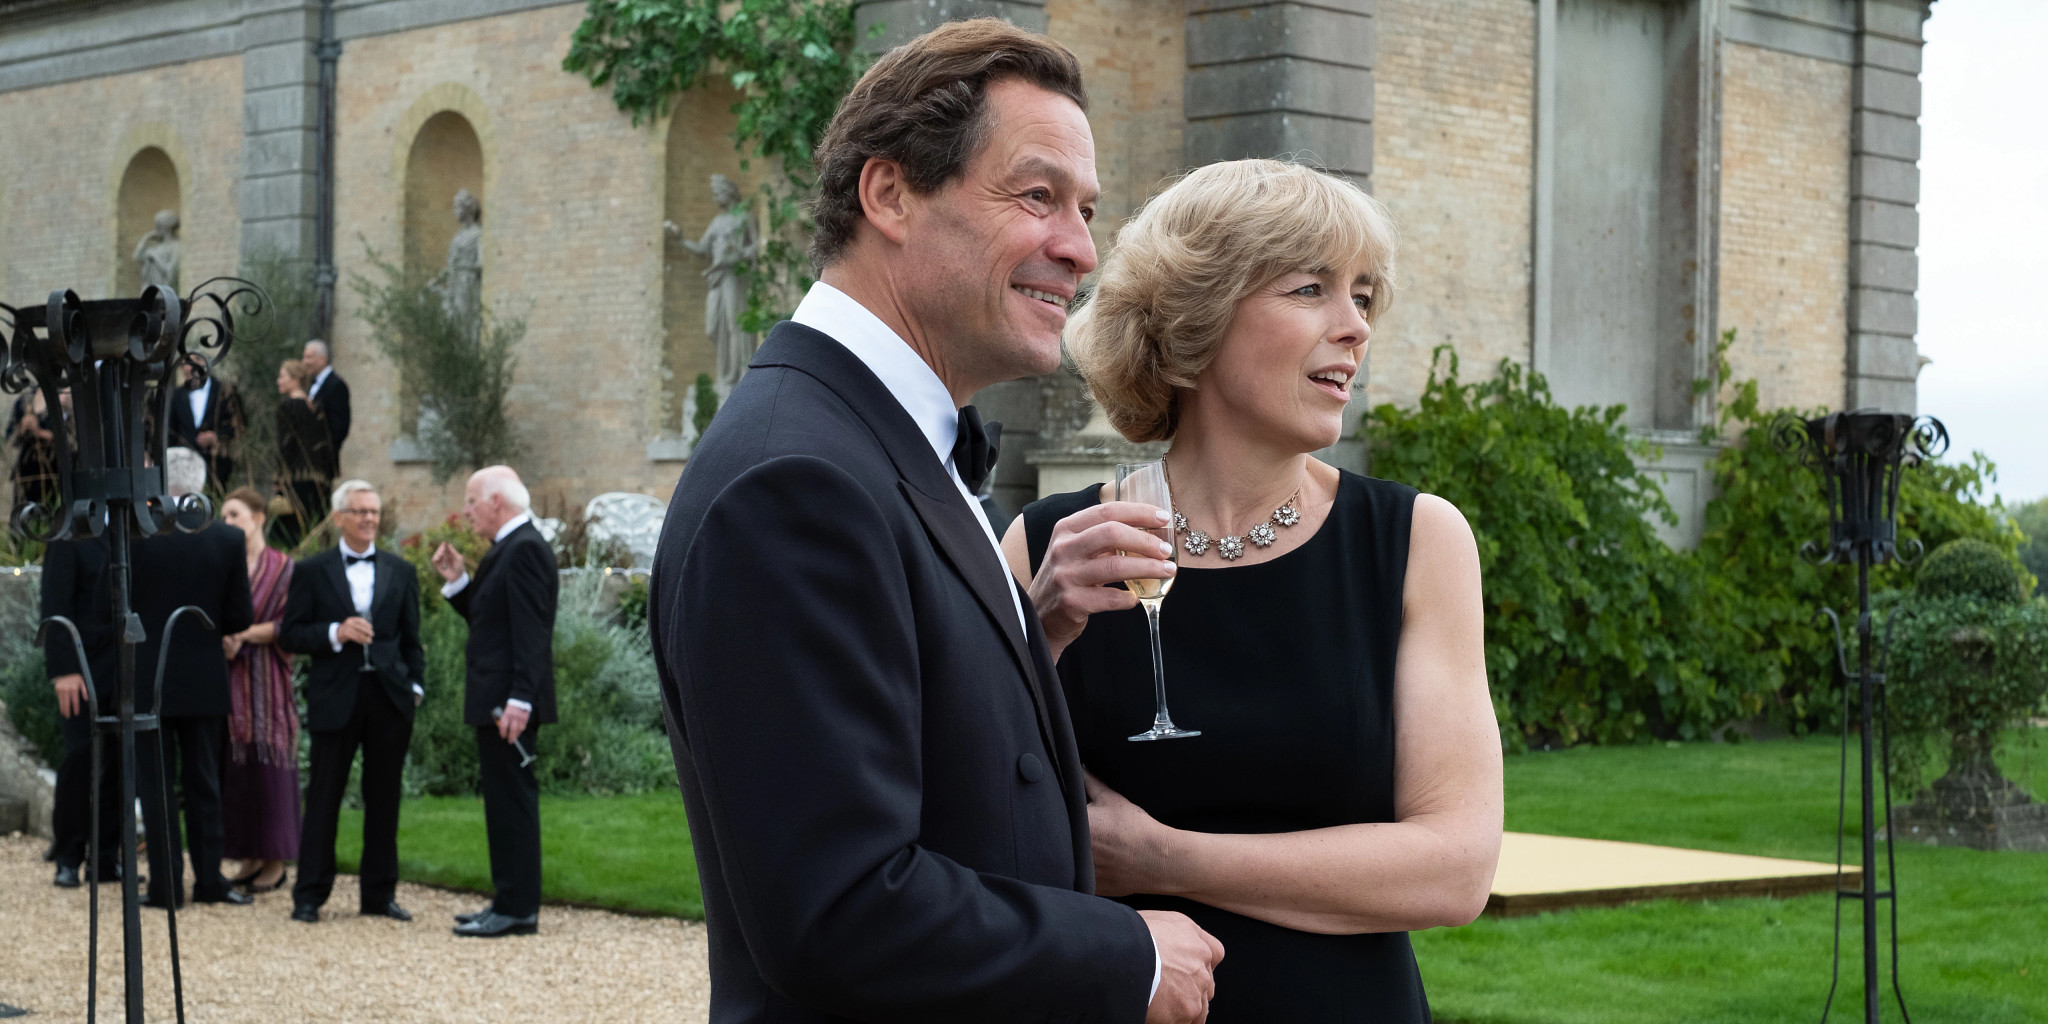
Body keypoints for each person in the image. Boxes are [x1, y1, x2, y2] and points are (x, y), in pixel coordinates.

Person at [648, 20, 1220, 1023]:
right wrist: (1123, 954)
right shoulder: (794, 481)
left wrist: (1026, 632)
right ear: (890, 194)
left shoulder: (880, 437)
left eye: (1086, 210)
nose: (1080, 249)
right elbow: (838, 909)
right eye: (1036, 196)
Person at [1004, 159, 1504, 1022]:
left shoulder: (1418, 542)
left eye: (1364, 296)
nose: (1356, 328)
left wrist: (1164, 858)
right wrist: (1040, 636)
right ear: (1196, 319)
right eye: (1312, 289)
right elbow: (977, 837)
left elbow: (1454, 868)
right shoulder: (1051, 548)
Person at [279, 479, 426, 924]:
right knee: (323, 798)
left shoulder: (401, 571)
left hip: (388, 699)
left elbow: (412, 640)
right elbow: (290, 633)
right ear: (340, 517)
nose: (368, 519)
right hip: (336, 696)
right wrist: (334, 632)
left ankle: (379, 895)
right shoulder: (311, 570)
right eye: (360, 511)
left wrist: (414, 687)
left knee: (384, 800)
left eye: (374, 512)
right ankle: (309, 896)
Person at [430, 465, 558, 938]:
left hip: (509, 704)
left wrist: (521, 699)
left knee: (513, 804)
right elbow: (491, 623)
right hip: (499, 699)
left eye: (470, 501)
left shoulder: (523, 550)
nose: (466, 511)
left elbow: (531, 634)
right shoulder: (509, 547)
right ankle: (508, 900)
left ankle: (518, 908)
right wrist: (459, 582)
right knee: (502, 804)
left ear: (496, 502)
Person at [132, 446, 256, 908]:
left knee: (156, 783)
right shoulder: (226, 539)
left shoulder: (138, 535)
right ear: (201, 484)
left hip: (150, 676)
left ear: (162, 482)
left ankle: (166, 886)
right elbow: (239, 616)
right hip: (205, 675)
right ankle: (209, 881)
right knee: (204, 782)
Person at [217, 487, 300, 893]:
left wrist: (244, 634)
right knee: (237, 770)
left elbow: (292, 625)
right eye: (224, 517)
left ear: (259, 517)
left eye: (235, 515)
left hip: (267, 680)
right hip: (230, 681)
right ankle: (248, 855)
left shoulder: (285, 569)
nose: (228, 523)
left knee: (269, 768)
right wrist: (224, 637)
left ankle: (274, 861)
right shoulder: (225, 565)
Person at [41, 530, 121, 889]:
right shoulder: (70, 531)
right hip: (81, 667)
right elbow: (55, 603)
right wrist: (63, 669)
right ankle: (68, 855)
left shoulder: (137, 524)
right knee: (79, 756)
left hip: (127, 667)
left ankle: (105, 858)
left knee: (120, 761)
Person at [273, 358, 335, 550]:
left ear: (295, 380)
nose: (278, 381)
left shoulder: (287, 407)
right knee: (312, 531)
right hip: (319, 481)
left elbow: (286, 446)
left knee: (287, 535)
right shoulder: (316, 408)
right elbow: (325, 446)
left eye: (282, 376)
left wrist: (278, 478)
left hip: (295, 480)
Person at [168, 356, 244, 492]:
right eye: (183, 365)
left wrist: (216, 436)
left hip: (217, 462)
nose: (186, 368)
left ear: (202, 362)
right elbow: (171, 430)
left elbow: (239, 424)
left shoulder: (224, 391)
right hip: (186, 465)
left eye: (190, 363)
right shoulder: (177, 395)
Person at [302, 340, 351, 458]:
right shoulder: (313, 385)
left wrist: (325, 450)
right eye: (304, 357)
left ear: (322, 359)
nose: (305, 361)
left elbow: (340, 426)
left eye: (309, 357)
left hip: (324, 457)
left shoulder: (336, 385)